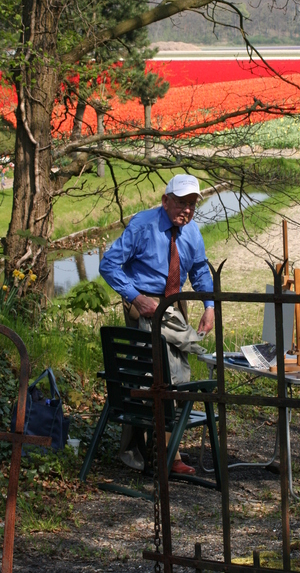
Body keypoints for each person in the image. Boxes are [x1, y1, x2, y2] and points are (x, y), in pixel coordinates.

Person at [99, 174, 214, 475]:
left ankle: (165, 453)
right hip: (145, 309)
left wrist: (210, 306)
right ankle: (143, 453)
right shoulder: (143, 225)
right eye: (181, 202)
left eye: (192, 204)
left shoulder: (192, 233)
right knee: (151, 377)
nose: (186, 210)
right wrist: (136, 298)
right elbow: (108, 264)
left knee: (176, 377)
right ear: (165, 201)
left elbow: (200, 269)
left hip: (174, 306)